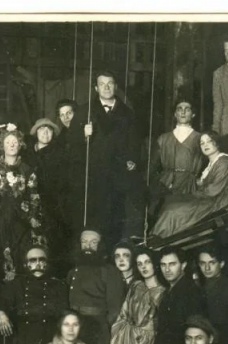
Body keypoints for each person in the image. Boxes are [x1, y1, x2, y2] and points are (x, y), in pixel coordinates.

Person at [69, 70, 144, 243]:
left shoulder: (127, 113)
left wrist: (132, 160)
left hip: (117, 177)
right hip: (92, 176)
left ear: (116, 87)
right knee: (92, 219)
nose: (106, 87)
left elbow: (135, 142)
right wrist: (83, 135)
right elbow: (71, 142)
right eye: (102, 84)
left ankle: (112, 252)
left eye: (110, 83)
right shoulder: (84, 111)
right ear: (96, 88)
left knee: (114, 218)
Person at [0, 245, 69, 344]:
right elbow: (0, 302)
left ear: (47, 263)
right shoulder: (16, 285)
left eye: (41, 260)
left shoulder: (58, 286)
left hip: (48, 338)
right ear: (26, 264)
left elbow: (64, 314)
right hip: (23, 340)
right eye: (33, 260)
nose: (37, 264)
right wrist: (1, 314)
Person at [151, 131, 228, 239]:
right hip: (212, 199)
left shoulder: (224, 163)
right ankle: (157, 236)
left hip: (224, 203)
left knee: (173, 211)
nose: (205, 145)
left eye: (209, 141)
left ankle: (160, 239)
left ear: (217, 143)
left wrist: (192, 194)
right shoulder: (212, 163)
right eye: (202, 143)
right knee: (170, 202)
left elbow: (212, 191)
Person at [0, 123, 46, 280]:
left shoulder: (27, 169)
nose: (12, 145)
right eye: (8, 142)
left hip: (21, 221)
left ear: (20, 145)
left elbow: (34, 197)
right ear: (2, 146)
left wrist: (33, 219)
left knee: (19, 257)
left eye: (15, 142)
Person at [67, 228, 126, 344]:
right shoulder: (72, 272)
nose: (88, 246)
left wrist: (101, 332)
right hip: (73, 329)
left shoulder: (109, 271)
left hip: (97, 330)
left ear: (100, 246)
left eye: (93, 242)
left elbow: (114, 310)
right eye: (84, 242)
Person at [27, 117, 72, 276]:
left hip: (52, 206)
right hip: (29, 205)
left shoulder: (60, 154)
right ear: (36, 132)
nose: (45, 133)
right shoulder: (27, 153)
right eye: (42, 129)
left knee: (53, 243)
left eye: (49, 129)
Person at [150, 100, 204, 203]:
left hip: (189, 186)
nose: (183, 112)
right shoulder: (163, 138)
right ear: (175, 114)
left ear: (193, 114)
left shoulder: (201, 138)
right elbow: (152, 166)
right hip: (166, 184)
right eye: (179, 109)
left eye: (187, 109)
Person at [54, 98, 86, 241]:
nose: (66, 118)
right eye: (62, 115)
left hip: (85, 186)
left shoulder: (87, 132)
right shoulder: (60, 139)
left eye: (69, 113)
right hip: (68, 189)